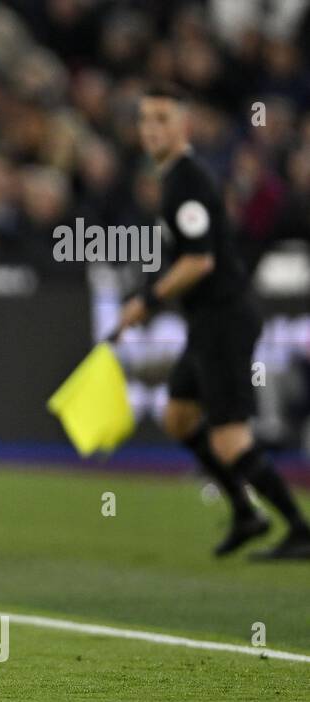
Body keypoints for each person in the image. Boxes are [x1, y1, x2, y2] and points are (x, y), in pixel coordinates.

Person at [117, 84, 309, 560]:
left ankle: (299, 529)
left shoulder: (188, 181)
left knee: (229, 438)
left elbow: (199, 261)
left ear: (183, 126)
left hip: (224, 320)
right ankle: (246, 512)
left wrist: (148, 300)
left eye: (163, 119)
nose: (153, 128)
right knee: (178, 417)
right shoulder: (175, 179)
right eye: (146, 120)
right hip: (206, 321)